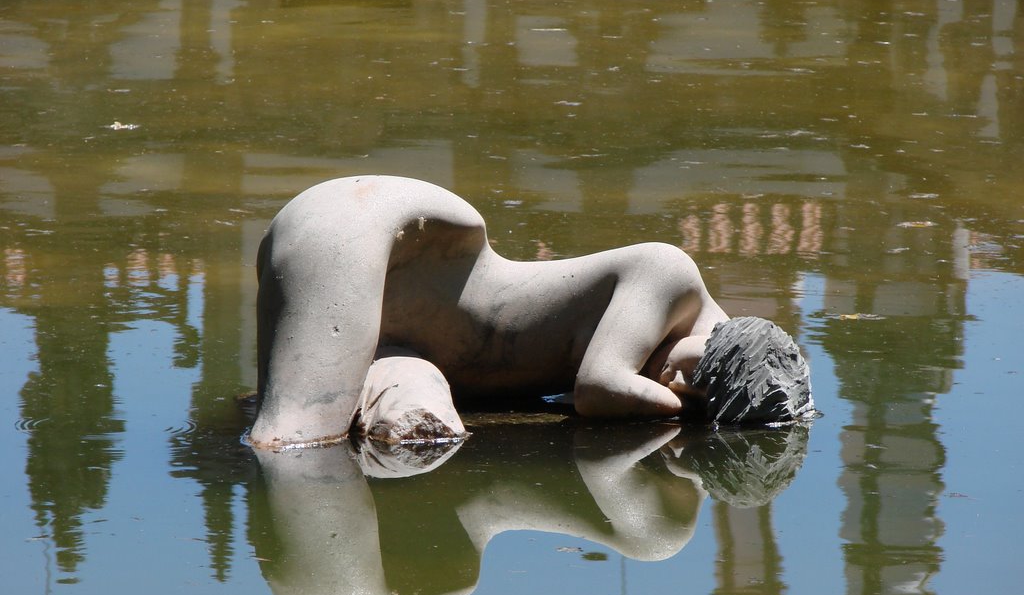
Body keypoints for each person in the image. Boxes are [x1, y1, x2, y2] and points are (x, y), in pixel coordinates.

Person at [247, 175, 812, 450]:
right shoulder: (671, 276)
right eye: (698, 372)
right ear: (726, 337)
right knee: (296, 446)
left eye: (692, 386)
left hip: (386, 309)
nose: (680, 379)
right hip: (366, 234)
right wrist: (688, 409)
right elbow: (599, 388)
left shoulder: (664, 327)